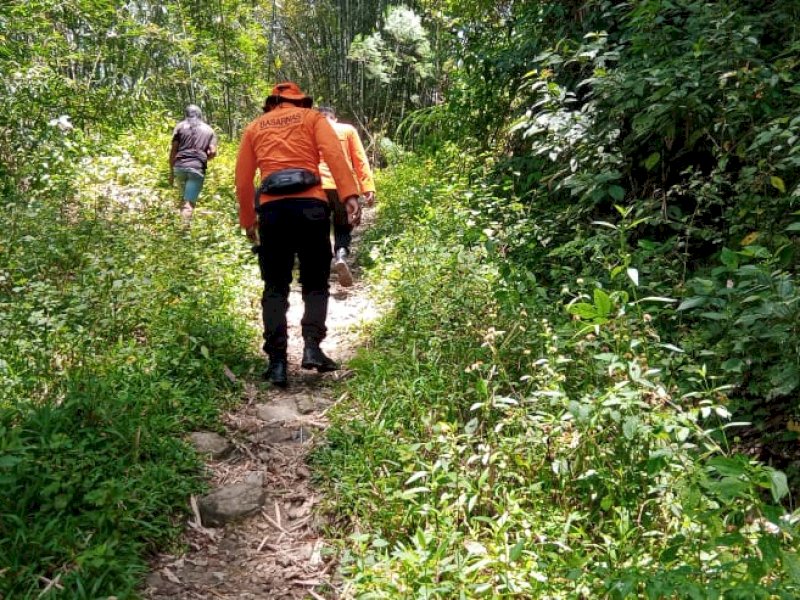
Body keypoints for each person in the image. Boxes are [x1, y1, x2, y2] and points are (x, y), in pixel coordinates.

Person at [235, 82, 361, 387]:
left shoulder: (255, 126)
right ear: (300, 100)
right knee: (315, 282)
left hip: (273, 212)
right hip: (312, 208)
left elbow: (242, 178)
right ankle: (312, 348)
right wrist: (348, 195)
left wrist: (248, 220)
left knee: (275, 286)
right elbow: (334, 155)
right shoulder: (313, 118)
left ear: (272, 103)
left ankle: (277, 362)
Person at [317, 106, 376, 287]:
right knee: (343, 225)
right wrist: (368, 188)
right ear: (334, 118)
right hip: (343, 187)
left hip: (316, 186)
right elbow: (359, 159)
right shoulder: (348, 130)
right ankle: (341, 254)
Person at [169, 105, 218, 221]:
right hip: (196, 169)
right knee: (189, 203)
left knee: (184, 198)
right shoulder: (209, 130)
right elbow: (213, 152)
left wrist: (171, 173)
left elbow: (173, 151)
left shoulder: (179, 127)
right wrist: (203, 158)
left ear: (186, 114)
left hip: (179, 167)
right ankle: (184, 233)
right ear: (200, 114)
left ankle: (181, 226)